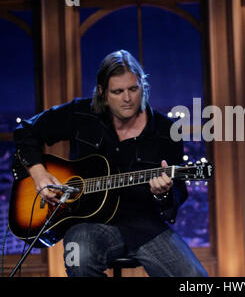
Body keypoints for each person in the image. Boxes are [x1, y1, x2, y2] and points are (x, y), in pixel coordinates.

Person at [13, 50, 208, 277]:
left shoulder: (166, 131)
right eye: (118, 91)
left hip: (145, 225)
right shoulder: (81, 114)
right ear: (102, 93)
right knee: (80, 261)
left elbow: (177, 194)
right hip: (88, 224)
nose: (127, 98)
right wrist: (39, 174)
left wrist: (162, 194)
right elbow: (25, 131)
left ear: (143, 88)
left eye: (133, 89)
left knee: (195, 278)